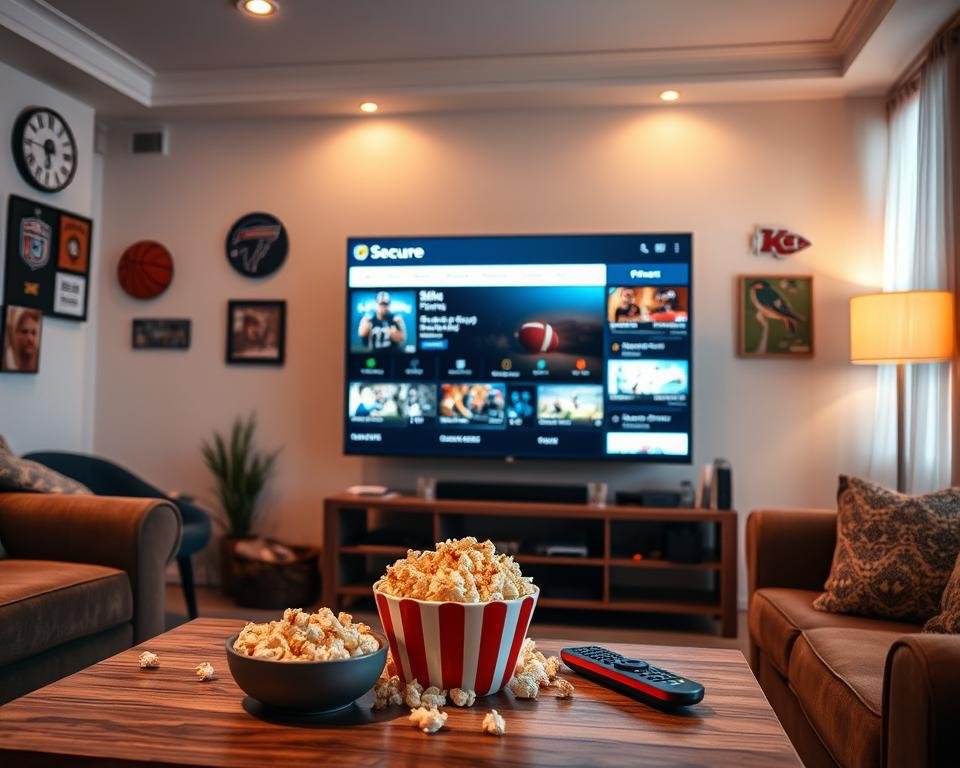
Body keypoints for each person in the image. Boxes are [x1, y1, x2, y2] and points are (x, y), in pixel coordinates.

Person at [3, 307, 41, 372]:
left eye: (33, 333)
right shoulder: (6, 361)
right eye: (24, 332)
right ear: (15, 333)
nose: (30, 339)